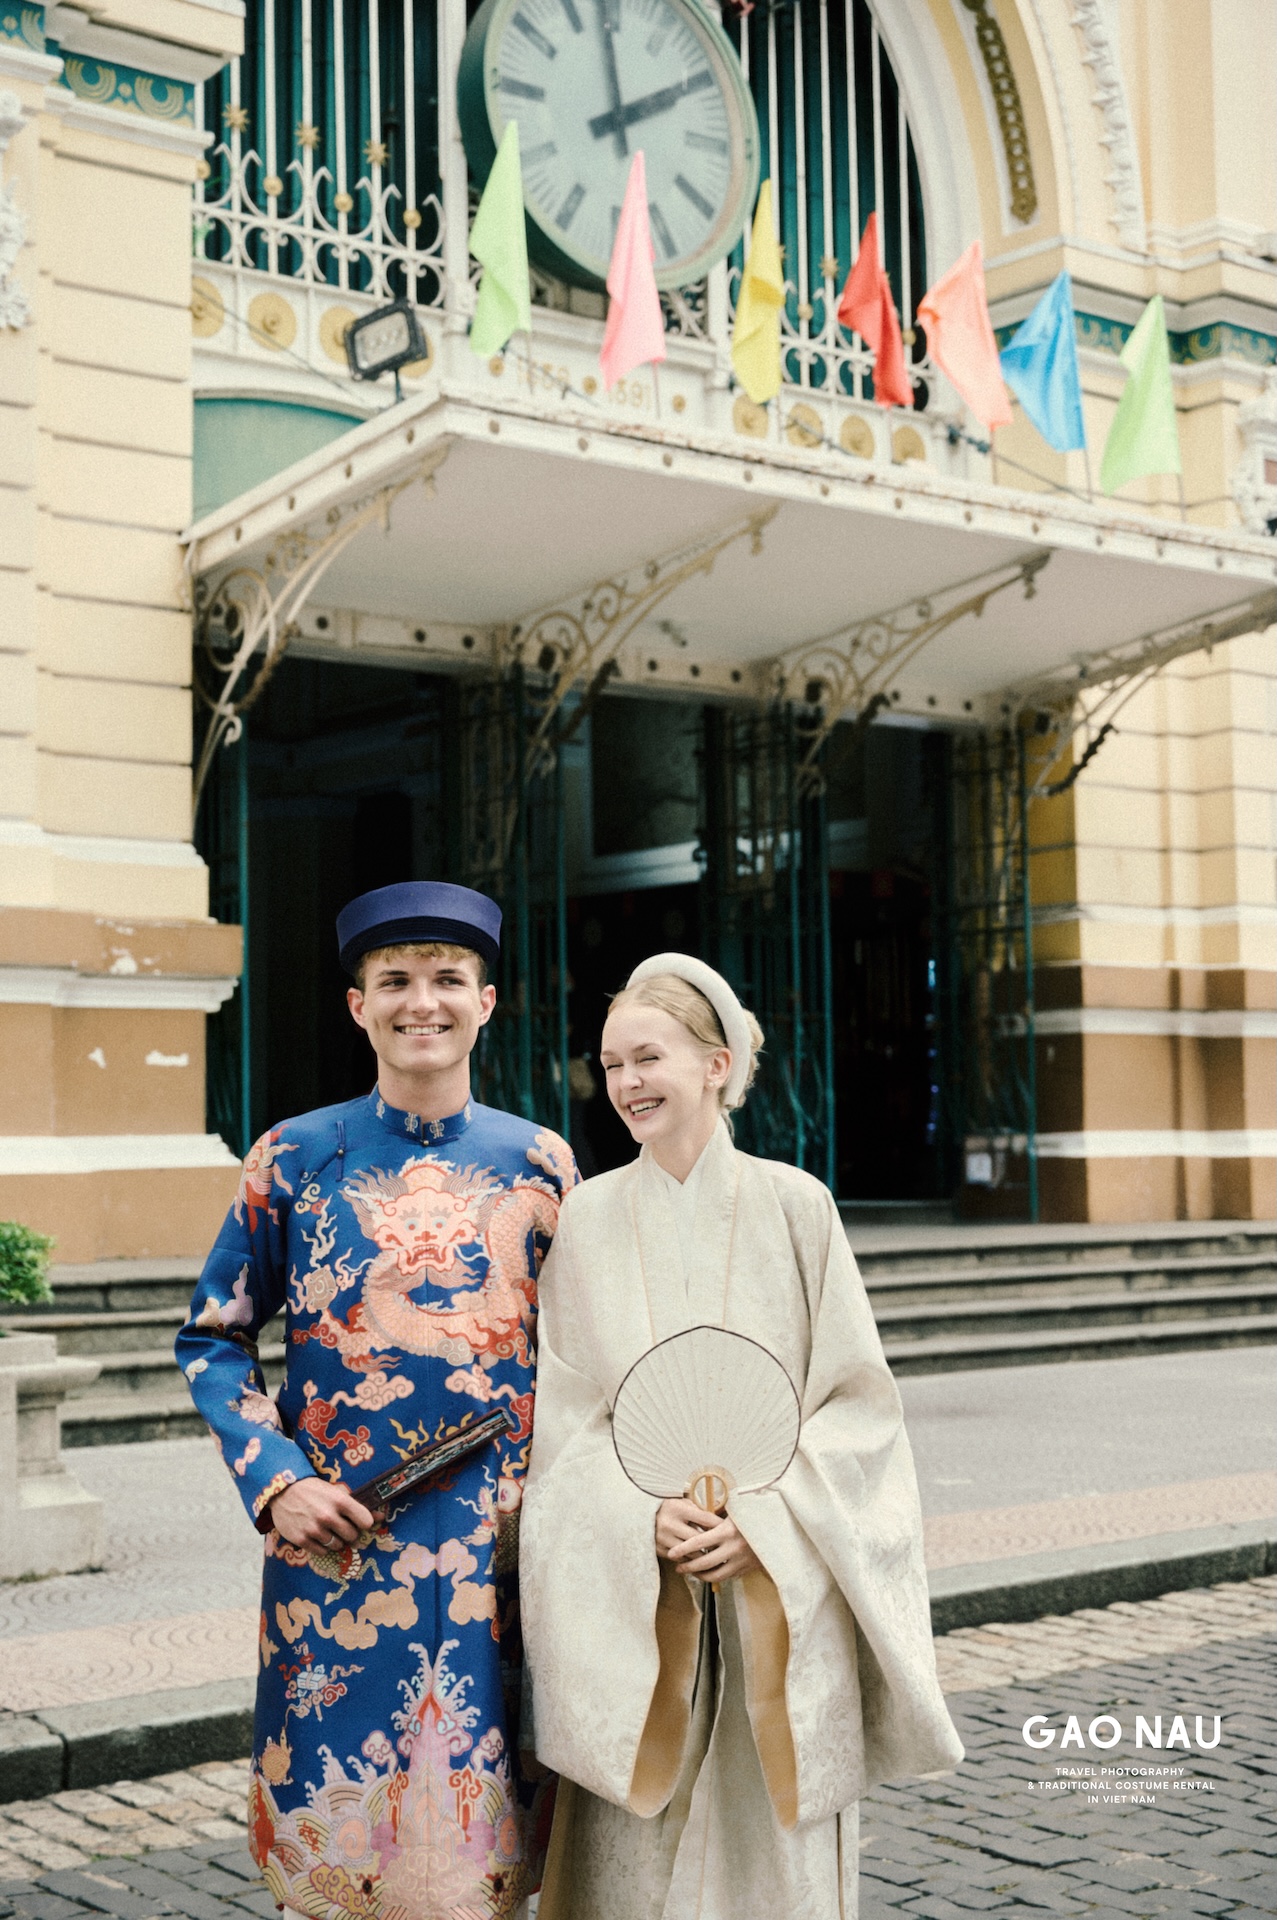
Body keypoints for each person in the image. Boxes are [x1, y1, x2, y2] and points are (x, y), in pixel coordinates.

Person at [520, 951, 962, 1920]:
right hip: (642, 1590)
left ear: (715, 1065)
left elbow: (857, 1406)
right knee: (632, 1865)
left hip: (773, 1588)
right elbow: (566, 1417)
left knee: (768, 1859)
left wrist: (764, 1523)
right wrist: (639, 1515)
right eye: (611, 1064)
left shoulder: (796, 1207)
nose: (626, 1083)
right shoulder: (586, 1218)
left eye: (648, 1058)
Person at [176, 881, 576, 1920]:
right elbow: (213, 1338)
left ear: (486, 1003)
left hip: (504, 1562)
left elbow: (589, 1358)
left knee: (491, 1860)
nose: (421, 1002)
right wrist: (278, 1485)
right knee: (338, 1867)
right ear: (358, 1005)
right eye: (394, 980)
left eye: (447, 978)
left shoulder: (542, 1165)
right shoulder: (293, 1158)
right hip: (337, 1550)